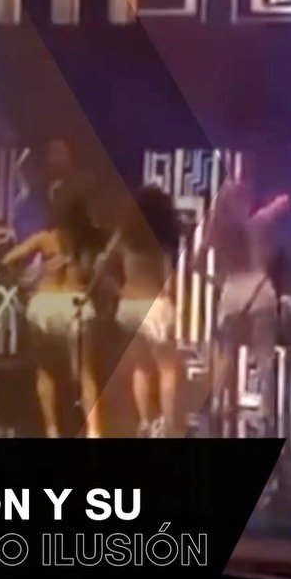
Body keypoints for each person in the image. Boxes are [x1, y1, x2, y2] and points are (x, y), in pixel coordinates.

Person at [2, 192, 107, 438]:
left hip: (45, 305)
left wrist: (23, 283)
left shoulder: (46, 238)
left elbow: (8, 260)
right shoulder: (91, 241)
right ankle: (94, 431)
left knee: (46, 370)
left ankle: (52, 430)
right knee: (85, 372)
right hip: (75, 304)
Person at [200, 163, 291, 427]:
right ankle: (266, 411)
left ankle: (215, 403)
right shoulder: (257, 224)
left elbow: (197, 265)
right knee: (264, 355)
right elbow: (283, 203)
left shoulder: (216, 233)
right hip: (260, 290)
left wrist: (217, 282)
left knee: (226, 353)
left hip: (232, 292)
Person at [105, 185, 181, 437]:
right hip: (155, 306)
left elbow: (102, 268)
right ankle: (168, 426)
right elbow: (169, 278)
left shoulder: (125, 236)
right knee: (168, 368)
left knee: (141, 367)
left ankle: (145, 422)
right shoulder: (163, 240)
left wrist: (119, 290)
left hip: (128, 306)